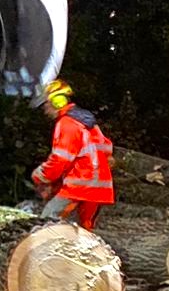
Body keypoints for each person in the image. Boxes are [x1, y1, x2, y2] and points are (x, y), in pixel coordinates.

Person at [29, 78, 115, 231]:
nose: (45, 109)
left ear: (58, 101)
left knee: (46, 222)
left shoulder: (67, 124)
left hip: (80, 186)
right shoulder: (87, 122)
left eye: (46, 104)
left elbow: (59, 161)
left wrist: (40, 175)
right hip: (99, 187)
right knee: (85, 231)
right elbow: (107, 149)